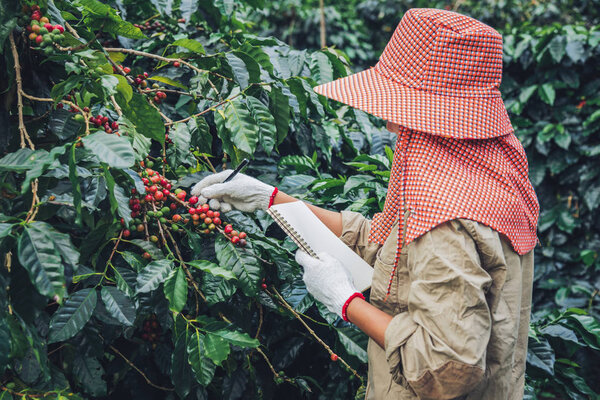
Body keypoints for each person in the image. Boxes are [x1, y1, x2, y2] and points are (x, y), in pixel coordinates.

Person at [192, 8, 539, 400]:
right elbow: (394, 245)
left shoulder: (445, 213)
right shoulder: (490, 171)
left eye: (401, 108)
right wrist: (272, 200)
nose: (390, 123)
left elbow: (447, 368)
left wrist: (346, 302)